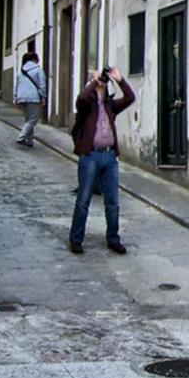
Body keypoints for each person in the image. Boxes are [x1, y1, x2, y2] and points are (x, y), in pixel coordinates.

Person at [68, 66, 135, 255]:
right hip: (90, 156)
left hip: (109, 157)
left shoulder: (110, 106)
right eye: (99, 85)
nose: (101, 88)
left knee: (112, 201)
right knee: (83, 200)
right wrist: (93, 82)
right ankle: (76, 239)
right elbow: (81, 98)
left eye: (103, 85)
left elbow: (130, 98)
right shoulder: (86, 107)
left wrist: (119, 79)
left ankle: (113, 238)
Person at [13, 52, 47, 148]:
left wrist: (15, 97)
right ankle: (21, 137)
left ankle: (29, 141)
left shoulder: (20, 71)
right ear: (34, 60)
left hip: (21, 97)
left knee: (28, 119)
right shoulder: (38, 70)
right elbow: (42, 85)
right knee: (33, 119)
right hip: (33, 98)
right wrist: (43, 97)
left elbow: (16, 86)